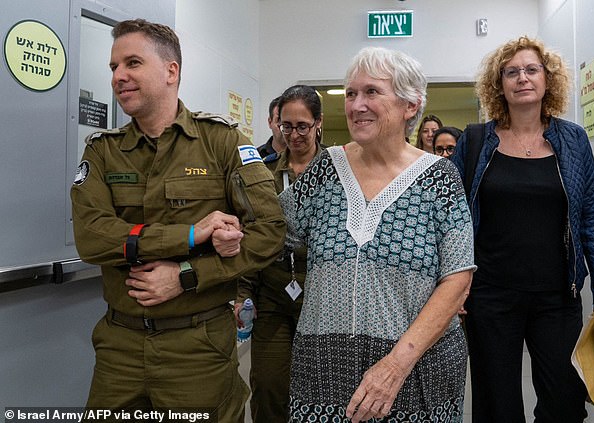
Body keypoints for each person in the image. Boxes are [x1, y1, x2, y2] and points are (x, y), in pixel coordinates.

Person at [70, 19, 286, 420]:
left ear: (172, 71)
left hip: (197, 347)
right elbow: (90, 237)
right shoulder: (102, 151)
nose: (119, 76)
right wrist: (188, 234)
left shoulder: (222, 142)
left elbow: (269, 233)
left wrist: (187, 274)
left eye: (132, 63)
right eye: (113, 67)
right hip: (119, 348)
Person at [279, 46, 476, 422]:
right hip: (325, 369)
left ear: (410, 105)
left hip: (416, 371)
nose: (356, 105)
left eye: (371, 92)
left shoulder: (440, 177)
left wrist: (396, 366)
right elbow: (272, 231)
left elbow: (458, 276)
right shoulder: (326, 167)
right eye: (351, 94)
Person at [451, 36, 594, 422]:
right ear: (499, 84)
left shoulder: (573, 140)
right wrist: (454, 286)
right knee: (497, 405)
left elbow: (593, 216)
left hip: (558, 296)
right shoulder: (476, 141)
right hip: (490, 296)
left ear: (548, 79)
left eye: (531, 70)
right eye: (511, 72)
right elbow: (454, 221)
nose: (522, 78)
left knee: (564, 403)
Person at [235, 85, 324, 423]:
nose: (294, 135)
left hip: (322, 296)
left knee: (319, 387)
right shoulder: (265, 175)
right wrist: (244, 292)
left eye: (302, 126)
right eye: (286, 126)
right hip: (273, 290)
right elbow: (252, 235)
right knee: (269, 384)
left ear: (318, 123)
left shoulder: (339, 173)